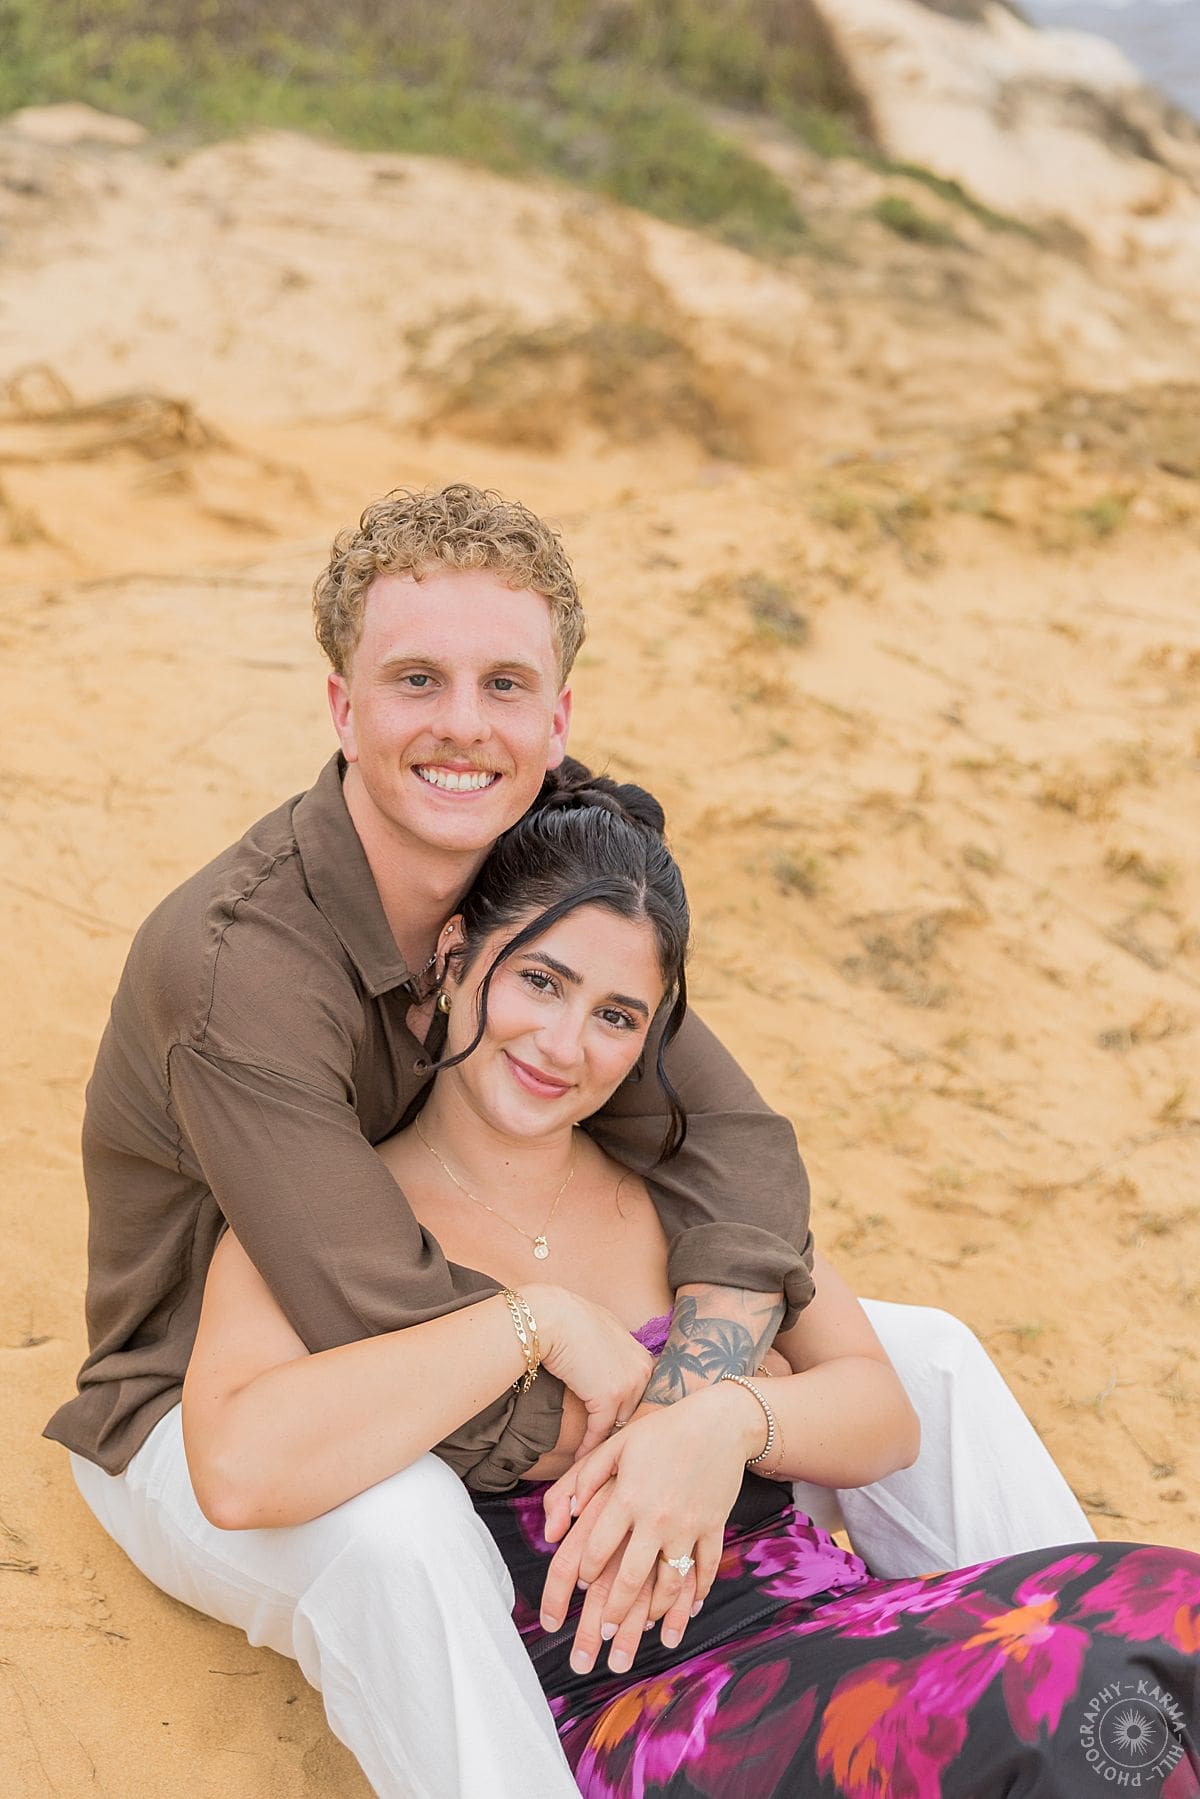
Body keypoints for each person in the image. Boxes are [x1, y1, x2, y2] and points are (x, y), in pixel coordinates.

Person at [48, 484, 1094, 1798]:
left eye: (505, 683)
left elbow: (738, 1150)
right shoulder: (237, 967)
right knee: (406, 1527)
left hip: (490, 1322)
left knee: (922, 1357)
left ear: (559, 715)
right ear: (342, 706)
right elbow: (368, 1307)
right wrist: (660, 1425)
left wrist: (707, 1403)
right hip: (225, 1406)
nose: (463, 726)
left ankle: (1050, 1689)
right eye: (416, 677)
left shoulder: (541, 869)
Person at [181, 773, 1200, 1797]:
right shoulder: (338, 1222)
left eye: (617, 1014)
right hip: (646, 1704)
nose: (565, 1045)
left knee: (1175, 1608)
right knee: (1079, 1700)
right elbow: (237, 1465)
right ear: (454, 959)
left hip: (838, 1620)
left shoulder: (676, 1194)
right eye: (540, 980)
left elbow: (881, 1410)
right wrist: (530, 1321)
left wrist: (721, 1423)